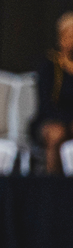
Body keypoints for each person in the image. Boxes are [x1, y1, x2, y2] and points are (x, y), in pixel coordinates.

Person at [32, 11, 73, 175]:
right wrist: (67, 122)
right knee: (57, 134)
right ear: (60, 38)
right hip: (51, 120)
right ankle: (53, 187)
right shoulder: (50, 66)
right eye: (68, 36)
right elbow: (45, 104)